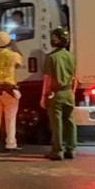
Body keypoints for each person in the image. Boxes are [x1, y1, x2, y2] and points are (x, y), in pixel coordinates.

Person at [40, 27, 78, 161]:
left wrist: (43, 97)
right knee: (69, 121)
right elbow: (74, 77)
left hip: (55, 94)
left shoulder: (51, 58)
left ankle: (57, 151)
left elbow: (48, 79)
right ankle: (71, 149)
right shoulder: (71, 56)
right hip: (68, 92)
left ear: (55, 39)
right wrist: (72, 92)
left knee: (56, 123)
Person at [0, 31, 23, 151]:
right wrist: (14, 45)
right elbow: (20, 61)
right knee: (10, 117)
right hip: (9, 90)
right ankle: (10, 143)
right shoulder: (13, 55)